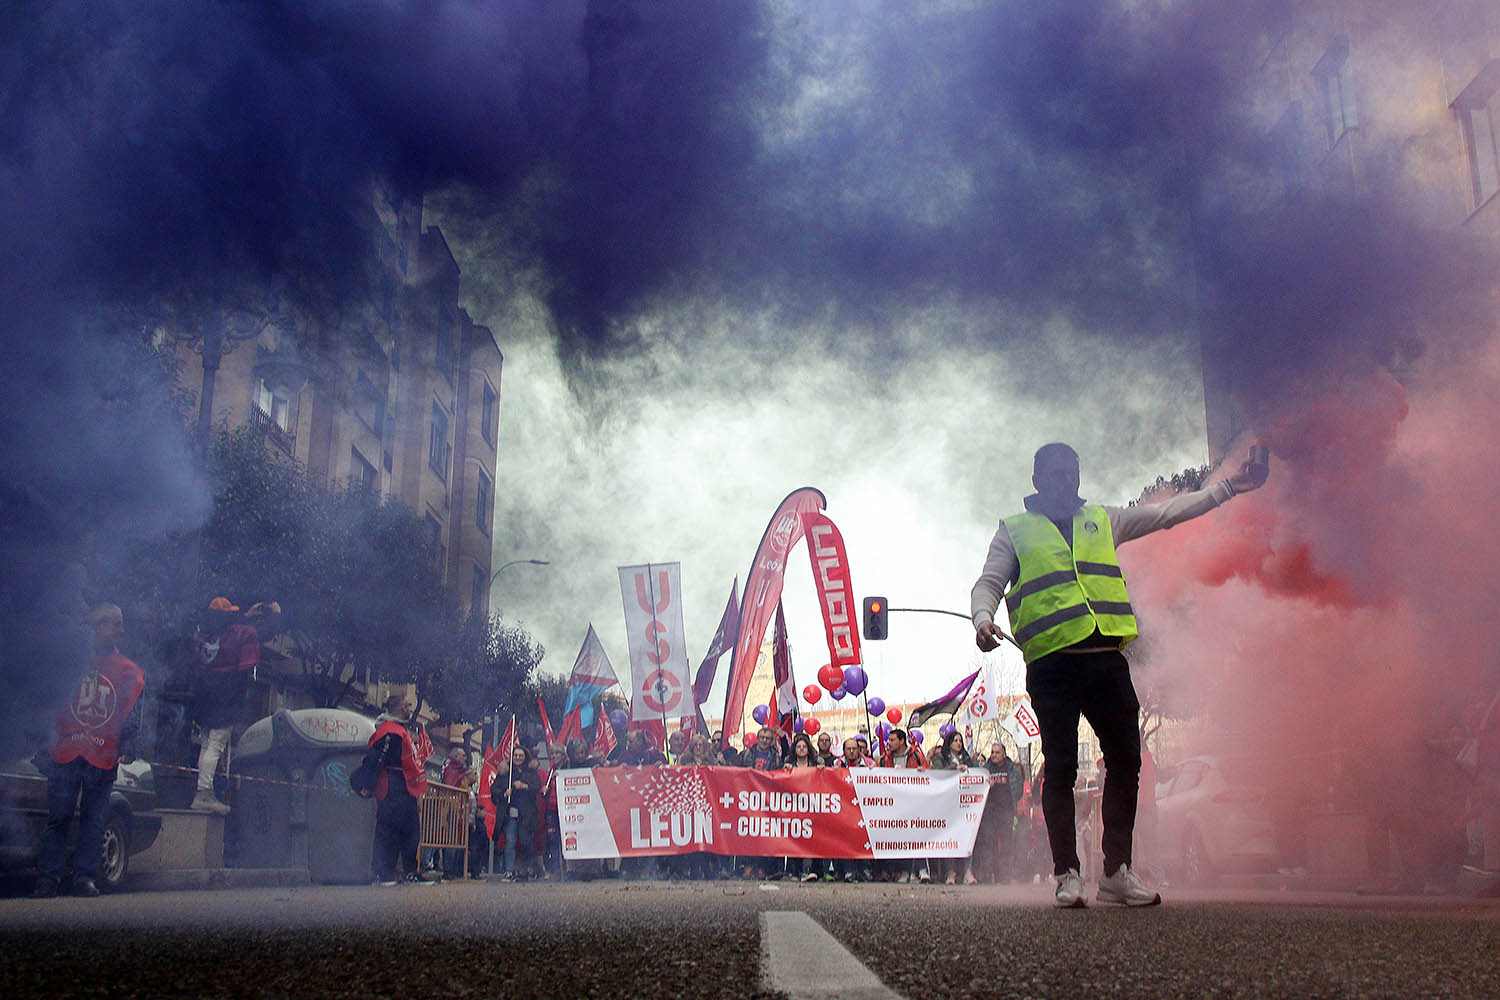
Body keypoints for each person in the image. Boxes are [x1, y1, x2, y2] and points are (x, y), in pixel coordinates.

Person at [972, 441, 1266, 907]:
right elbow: (988, 582)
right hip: (1052, 663)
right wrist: (982, 618)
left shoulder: (1103, 520)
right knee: (1062, 767)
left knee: (1127, 760)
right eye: (1056, 473)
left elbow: (1167, 513)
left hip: (1105, 656)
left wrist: (1229, 487)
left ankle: (1116, 871)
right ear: (1037, 480)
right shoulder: (1015, 531)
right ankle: (1067, 874)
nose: (1067, 481)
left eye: (1073, 472)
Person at [33, 603, 146, 898]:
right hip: (65, 753)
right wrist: (41, 744)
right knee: (58, 817)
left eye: (121, 623)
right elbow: (48, 702)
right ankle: (48, 878)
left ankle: (84, 877)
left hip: (102, 755)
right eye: (112, 622)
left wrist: (128, 744)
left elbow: (131, 711)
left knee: (94, 820)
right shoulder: (69, 663)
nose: (119, 628)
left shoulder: (127, 670)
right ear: (94, 626)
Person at [188, 597, 259, 814]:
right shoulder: (240, 636)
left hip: (204, 696)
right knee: (217, 744)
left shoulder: (203, 634)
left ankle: (203, 791)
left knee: (206, 744)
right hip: (226, 697)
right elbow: (245, 664)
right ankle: (204, 793)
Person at [363, 694, 430, 885]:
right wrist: (368, 784)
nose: (410, 709)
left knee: (411, 830)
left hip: (405, 785)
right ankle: (382, 872)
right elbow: (376, 759)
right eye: (408, 706)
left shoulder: (401, 730)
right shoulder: (388, 731)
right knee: (388, 829)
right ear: (400, 709)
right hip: (392, 784)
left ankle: (410, 871)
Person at [877, 728, 929, 882]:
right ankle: (905, 871)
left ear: (901, 741)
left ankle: (921, 869)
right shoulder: (884, 759)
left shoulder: (916, 756)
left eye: (892, 740)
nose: (889, 743)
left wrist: (923, 772)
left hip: (915, 803)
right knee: (902, 839)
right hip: (894, 805)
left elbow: (929, 774)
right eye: (889, 740)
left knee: (917, 836)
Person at [972, 741, 1026, 884]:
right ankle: (988, 875)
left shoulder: (1012, 769)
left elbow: (1018, 790)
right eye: (992, 752)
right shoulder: (986, 769)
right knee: (989, 844)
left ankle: (1004, 876)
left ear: (1004, 754)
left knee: (1007, 844)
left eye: (997, 752)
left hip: (1006, 811)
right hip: (989, 811)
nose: (994, 755)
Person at [927, 730, 974, 884]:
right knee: (950, 838)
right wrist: (954, 770)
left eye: (960, 740)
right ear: (949, 742)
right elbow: (937, 774)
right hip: (947, 804)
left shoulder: (967, 758)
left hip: (964, 805)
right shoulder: (941, 758)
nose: (959, 743)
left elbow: (977, 772)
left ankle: (968, 871)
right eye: (955, 740)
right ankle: (950, 872)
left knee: (966, 837)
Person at [493, 745, 539, 880]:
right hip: (510, 812)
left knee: (526, 841)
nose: (518, 758)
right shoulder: (505, 772)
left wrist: (525, 786)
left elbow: (537, 786)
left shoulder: (531, 772)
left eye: (520, 756)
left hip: (526, 813)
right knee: (510, 841)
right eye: (516, 755)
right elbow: (494, 789)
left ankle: (527, 868)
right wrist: (503, 793)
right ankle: (509, 870)